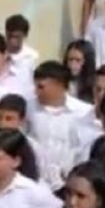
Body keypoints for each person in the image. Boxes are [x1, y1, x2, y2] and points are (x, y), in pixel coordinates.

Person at [29, 60, 88, 192]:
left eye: (41, 87)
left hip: (69, 183)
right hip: (36, 182)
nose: (36, 91)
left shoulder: (83, 113)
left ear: (59, 85)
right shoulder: (28, 109)